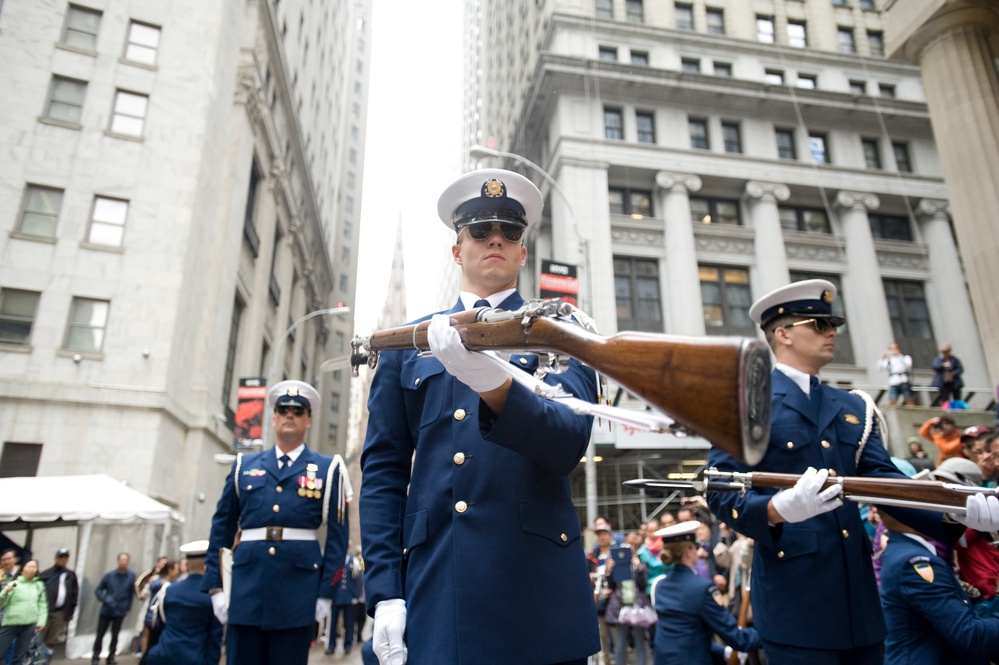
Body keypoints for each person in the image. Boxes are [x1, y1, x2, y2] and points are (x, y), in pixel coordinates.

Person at [360, 168, 600, 665]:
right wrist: (385, 589)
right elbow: (383, 473)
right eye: (479, 230)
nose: (495, 238)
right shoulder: (410, 343)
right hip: (440, 585)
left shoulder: (563, 331)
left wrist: (494, 382)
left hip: (537, 591)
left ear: (522, 251)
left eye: (509, 231)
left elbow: (568, 443)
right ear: (457, 248)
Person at [706, 279, 999, 665]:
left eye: (832, 324)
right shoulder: (748, 403)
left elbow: (886, 484)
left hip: (858, 605)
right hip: (796, 605)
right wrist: (779, 510)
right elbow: (721, 491)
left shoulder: (852, 406)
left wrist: (957, 511)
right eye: (819, 324)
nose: (832, 333)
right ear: (783, 333)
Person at [202, 379, 350, 665]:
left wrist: (325, 594)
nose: (289, 415)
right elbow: (221, 530)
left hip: (297, 594)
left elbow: (337, 539)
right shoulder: (244, 467)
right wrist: (215, 586)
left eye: (297, 410)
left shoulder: (328, 469)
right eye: (283, 409)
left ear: (308, 419)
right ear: (273, 417)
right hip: (246, 590)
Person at [879, 508, 999, 664]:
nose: (942, 511)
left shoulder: (908, 551)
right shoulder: (915, 561)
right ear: (914, 512)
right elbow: (970, 635)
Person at [650, 522, 761, 665]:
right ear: (688, 552)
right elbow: (737, 637)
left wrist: (724, 652)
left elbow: (682, 636)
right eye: (695, 547)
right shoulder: (702, 588)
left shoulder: (661, 586)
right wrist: (768, 635)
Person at [144, 541, 222, 665]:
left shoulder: (168, 590)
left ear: (187, 564)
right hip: (195, 658)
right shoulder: (213, 596)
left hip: (163, 656)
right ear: (207, 564)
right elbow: (215, 637)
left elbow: (160, 623)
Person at [603, 532, 650, 665]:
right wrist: (610, 570)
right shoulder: (616, 563)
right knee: (620, 643)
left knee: (640, 642)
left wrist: (639, 566)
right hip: (620, 605)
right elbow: (611, 585)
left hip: (637, 605)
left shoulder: (639, 561)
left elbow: (643, 583)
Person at [92, 552, 136, 665]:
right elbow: (98, 590)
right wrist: (106, 599)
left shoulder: (131, 576)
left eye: (126, 560)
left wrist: (127, 607)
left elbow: (131, 593)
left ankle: (111, 656)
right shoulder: (109, 576)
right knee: (100, 634)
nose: (124, 562)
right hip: (107, 610)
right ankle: (96, 656)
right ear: (117, 561)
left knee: (115, 635)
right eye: (122, 560)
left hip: (120, 610)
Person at [0, 559, 47, 665]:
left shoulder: (38, 586)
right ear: (22, 570)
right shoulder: (15, 584)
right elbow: (1, 602)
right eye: (29, 567)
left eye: (34, 567)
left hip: (29, 623)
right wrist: (6, 592)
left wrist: (41, 621)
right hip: (11, 622)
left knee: (19, 656)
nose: (31, 569)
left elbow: (42, 605)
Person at [38, 548, 78, 649]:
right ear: (55, 559)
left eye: (65, 557)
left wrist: (70, 612)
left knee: (54, 639)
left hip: (61, 612)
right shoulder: (45, 574)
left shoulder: (70, 575)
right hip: (45, 611)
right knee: (39, 638)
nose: (63, 560)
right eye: (61, 557)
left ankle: (47, 660)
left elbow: (74, 594)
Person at [879, 342, 915, 406]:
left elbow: (908, 366)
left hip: (904, 380)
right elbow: (880, 368)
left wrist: (898, 356)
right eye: (891, 349)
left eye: (895, 348)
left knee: (908, 399)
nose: (893, 350)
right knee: (892, 400)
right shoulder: (889, 361)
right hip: (894, 381)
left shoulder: (905, 358)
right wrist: (882, 358)